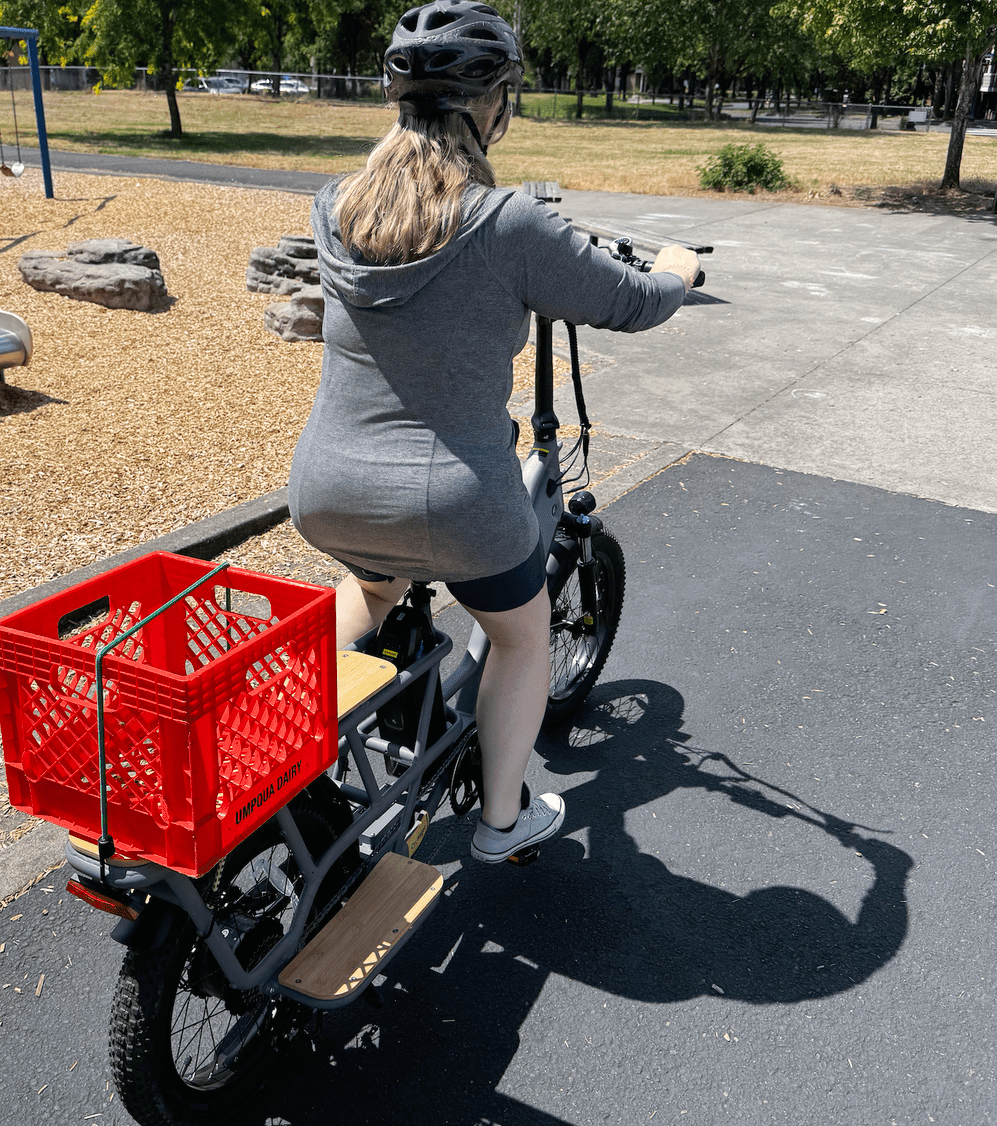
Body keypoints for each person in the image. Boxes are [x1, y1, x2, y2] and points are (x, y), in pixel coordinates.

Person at [287, 0, 698, 863]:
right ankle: (505, 822)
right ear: (491, 106)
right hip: (455, 502)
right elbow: (629, 303)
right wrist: (674, 269)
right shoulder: (508, 221)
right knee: (521, 635)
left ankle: (274, 739)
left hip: (327, 488)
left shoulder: (334, 207)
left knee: (373, 586)